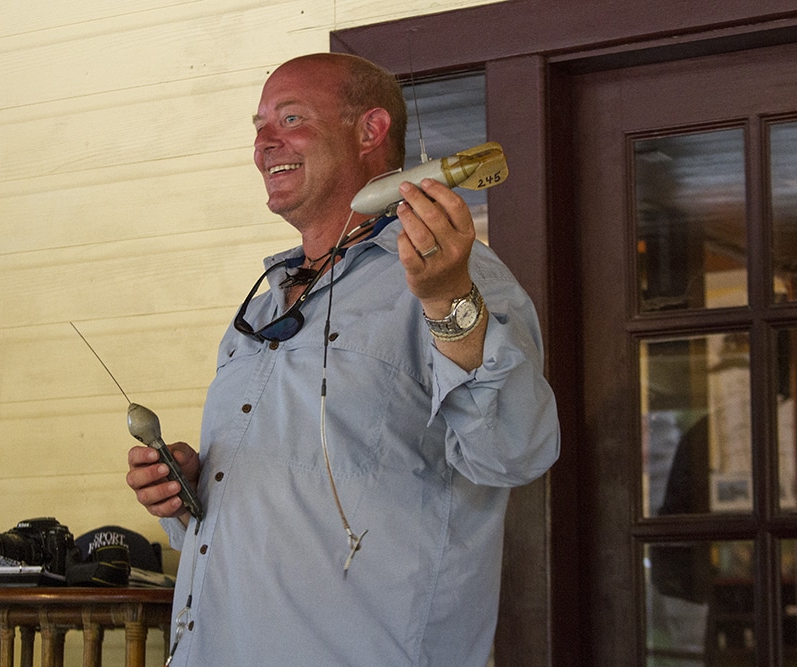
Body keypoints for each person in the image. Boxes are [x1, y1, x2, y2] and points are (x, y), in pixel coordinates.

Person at [126, 52, 560, 667]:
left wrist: (446, 301)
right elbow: (297, 488)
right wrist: (191, 492)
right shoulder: (266, 297)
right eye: (258, 126)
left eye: (291, 118)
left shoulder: (454, 275)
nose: (263, 143)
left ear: (369, 130)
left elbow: (514, 452)